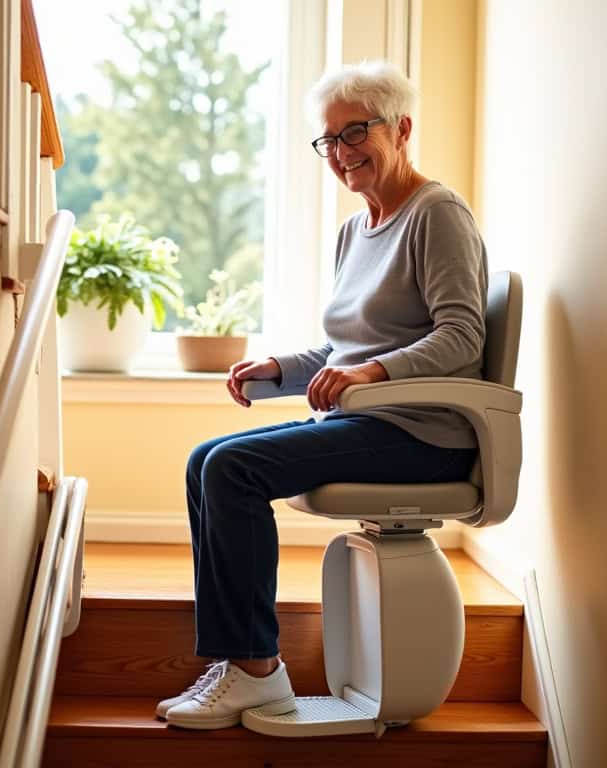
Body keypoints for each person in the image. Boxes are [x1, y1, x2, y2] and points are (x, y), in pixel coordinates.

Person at [159, 61, 489, 730]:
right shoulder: (353, 231)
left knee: (233, 468)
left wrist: (373, 376)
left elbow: (463, 337)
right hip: (368, 422)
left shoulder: (437, 213)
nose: (342, 153)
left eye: (356, 133)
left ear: (401, 129)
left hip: (423, 434)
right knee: (205, 460)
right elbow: (344, 352)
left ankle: (257, 670)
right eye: (330, 140)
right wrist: (277, 369)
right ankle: (240, 662)